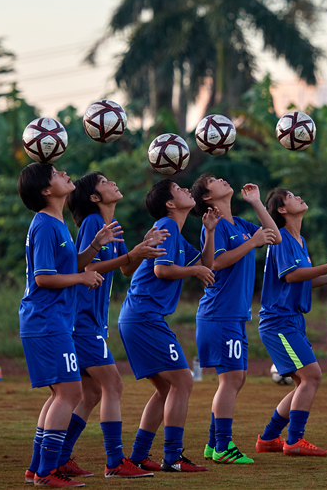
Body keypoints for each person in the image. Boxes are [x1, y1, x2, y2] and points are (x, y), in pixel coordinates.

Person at [56, 172, 169, 479]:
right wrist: (133, 253)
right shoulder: (94, 222)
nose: (113, 182)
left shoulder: (110, 226)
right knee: (113, 385)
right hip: (82, 321)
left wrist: (143, 247)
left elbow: (127, 269)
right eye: (104, 181)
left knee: (91, 392)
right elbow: (89, 266)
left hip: (90, 321)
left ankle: (61, 458)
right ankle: (115, 462)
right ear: (94, 198)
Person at [18, 162, 122, 488]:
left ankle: (39, 468)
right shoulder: (46, 225)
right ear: (46, 191)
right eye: (56, 174)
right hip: (46, 321)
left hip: (53, 321)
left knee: (61, 394)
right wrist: (82, 276)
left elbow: (68, 264)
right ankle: (48, 472)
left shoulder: (56, 222)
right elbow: (44, 278)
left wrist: (93, 246)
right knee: (70, 392)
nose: (65, 173)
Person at [118, 179, 220, 473]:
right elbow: (162, 270)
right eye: (179, 189)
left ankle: (138, 455)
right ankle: (173, 457)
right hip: (144, 316)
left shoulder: (173, 230)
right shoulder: (166, 226)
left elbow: (207, 264)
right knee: (184, 381)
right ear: (170, 204)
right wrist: (195, 269)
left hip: (139, 316)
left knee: (166, 389)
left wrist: (210, 233)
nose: (187, 190)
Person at [256, 189, 327, 457]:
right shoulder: (281, 239)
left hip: (292, 320)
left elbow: (299, 276)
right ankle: (294, 441)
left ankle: (268, 438)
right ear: (282, 210)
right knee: (312, 376)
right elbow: (290, 277)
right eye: (291, 196)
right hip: (279, 322)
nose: (299, 196)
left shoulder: (299, 240)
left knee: (305, 380)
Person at [191, 175, 281, 465]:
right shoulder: (213, 226)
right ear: (207, 198)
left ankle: (212, 443)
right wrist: (252, 243)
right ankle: (223, 446)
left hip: (233, 315)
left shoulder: (241, 224)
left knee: (234, 379)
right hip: (219, 314)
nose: (222, 179)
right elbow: (214, 263)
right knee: (230, 380)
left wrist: (256, 203)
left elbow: (275, 237)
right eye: (214, 180)